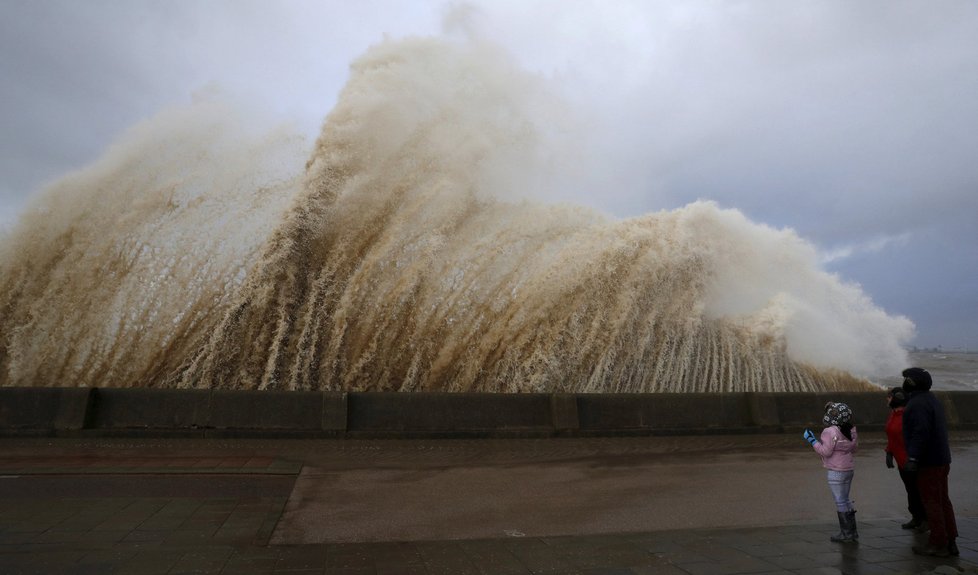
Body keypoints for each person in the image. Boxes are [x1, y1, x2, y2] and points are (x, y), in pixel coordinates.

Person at [902, 367, 959, 557]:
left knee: (932, 503)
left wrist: (913, 458)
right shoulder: (931, 399)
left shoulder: (917, 403)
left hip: (929, 462)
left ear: (912, 383)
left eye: (906, 379)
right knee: (943, 501)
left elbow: (921, 433)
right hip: (942, 459)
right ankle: (951, 541)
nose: (904, 382)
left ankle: (937, 543)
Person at [803, 402, 858, 543]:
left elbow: (825, 452)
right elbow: (854, 448)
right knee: (846, 499)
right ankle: (852, 532)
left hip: (835, 471)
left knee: (840, 501)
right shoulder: (851, 429)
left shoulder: (830, 431)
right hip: (848, 469)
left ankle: (846, 534)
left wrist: (812, 441)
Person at [884, 387, 927, 531]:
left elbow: (917, 438)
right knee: (911, 490)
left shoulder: (907, 416)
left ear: (897, 398)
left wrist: (913, 458)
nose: (887, 399)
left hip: (911, 461)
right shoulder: (893, 414)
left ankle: (926, 519)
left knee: (919, 490)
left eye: (889, 397)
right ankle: (916, 517)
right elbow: (892, 435)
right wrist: (889, 452)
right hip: (901, 461)